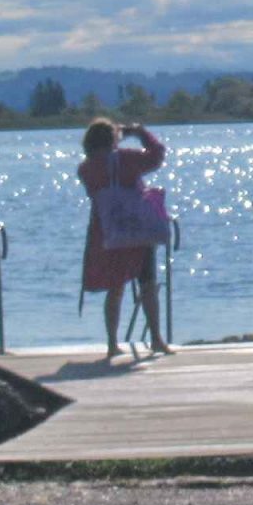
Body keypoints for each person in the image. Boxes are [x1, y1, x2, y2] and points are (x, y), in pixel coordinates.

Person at [79, 117, 170, 359]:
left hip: (106, 231)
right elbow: (157, 155)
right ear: (113, 140)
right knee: (147, 284)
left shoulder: (86, 169)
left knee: (115, 287)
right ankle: (156, 339)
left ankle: (112, 343)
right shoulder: (126, 160)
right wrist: (140, 133)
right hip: (136, 228)